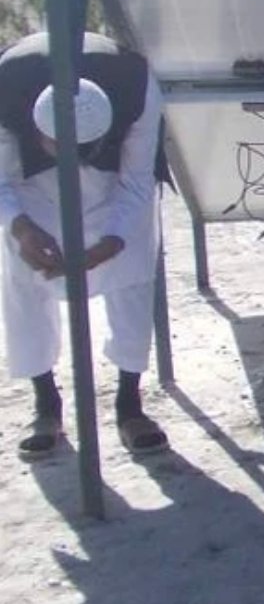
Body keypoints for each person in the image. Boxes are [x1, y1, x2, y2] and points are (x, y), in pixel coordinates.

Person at [0, 32, 170, 460]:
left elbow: (137, 179)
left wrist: (111, 243)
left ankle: (129, 404)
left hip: (113, 181)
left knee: (132, 270)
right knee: (26, 278)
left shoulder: (136, 85)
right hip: (29, 180)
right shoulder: (4, 87)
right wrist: (21, 228)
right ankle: (46, 404)